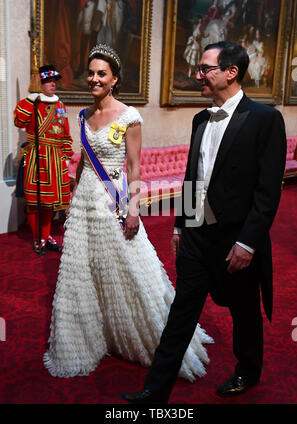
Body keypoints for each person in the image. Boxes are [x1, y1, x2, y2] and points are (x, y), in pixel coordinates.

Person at [122, 41, 287, 404]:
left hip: (237, 239)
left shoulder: (265, 119)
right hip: (197, 236)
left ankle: (247, 369)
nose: (198, 75)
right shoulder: (200, 118)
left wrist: (248, 243)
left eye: (205, 68)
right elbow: (192, 179)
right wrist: (181, 227)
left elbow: (266, 192)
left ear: (231, 72)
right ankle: (155, 389)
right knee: (182, 310)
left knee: (245, 310)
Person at [43, 43, 213, 379]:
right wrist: (72, 197)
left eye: (101, 74)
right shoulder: (83, 115)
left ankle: (150, 337)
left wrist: (134, 211)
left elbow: (135, 169)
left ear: (114, 79)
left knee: (127, 267)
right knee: (85, 269)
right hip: (84, 204)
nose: (94, 79)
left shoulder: (129, 116)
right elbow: (83, 162)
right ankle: (94, 332)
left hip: (113, 203)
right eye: (90, 73)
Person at [14, 65, 74, 254]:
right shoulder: (31, 104)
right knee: (34, 201)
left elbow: (65, 133)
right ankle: (37, 238)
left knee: (50, 202)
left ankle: (46, 236)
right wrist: (30, 100)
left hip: (55, 159)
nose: (52, 84)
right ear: (38, 84)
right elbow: (19, 122)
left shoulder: (61, 106)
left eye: (54, 81)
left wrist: (65, 157)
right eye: (48, 81)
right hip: (36, 157)